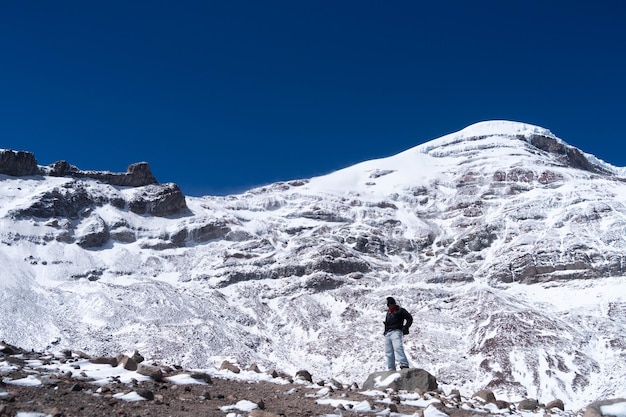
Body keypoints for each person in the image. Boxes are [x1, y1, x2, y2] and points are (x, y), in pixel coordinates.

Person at [383, 296, 413, 371]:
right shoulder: (388, 313)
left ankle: (404, 364)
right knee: (388, 351)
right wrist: (385, 331)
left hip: (396, 331)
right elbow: (387, 323)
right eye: (389, 304)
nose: (390, 306)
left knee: (398, 347)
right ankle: (391, 368)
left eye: (391, 304)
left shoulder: (400, 310)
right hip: (388, 333)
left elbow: (409, 318)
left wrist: (406, 327)